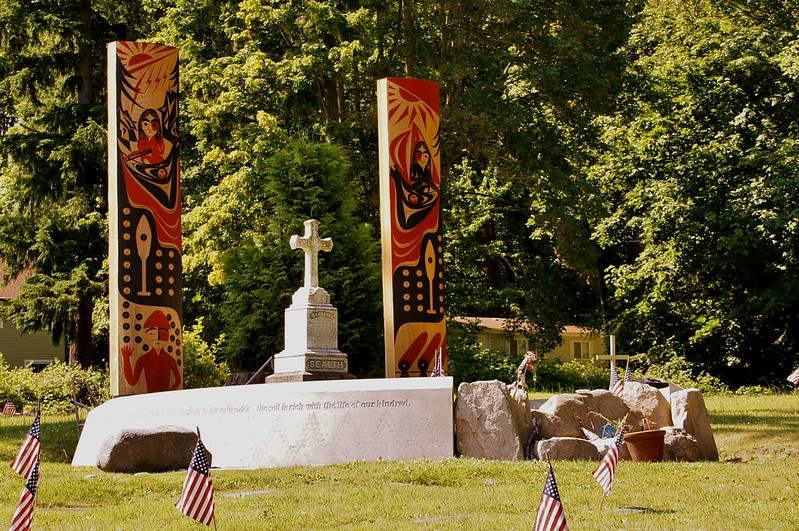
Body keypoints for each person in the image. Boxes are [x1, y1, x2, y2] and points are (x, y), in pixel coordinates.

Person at [121, 310, 181, 393]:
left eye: (163, 334)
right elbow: (132, 381)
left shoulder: (169, 359)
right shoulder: (143, 359)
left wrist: (169, 394)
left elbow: (178, 381)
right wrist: (126, 359)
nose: (157, 338)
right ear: (146, 336)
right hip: (148, 399)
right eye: (152, 333)